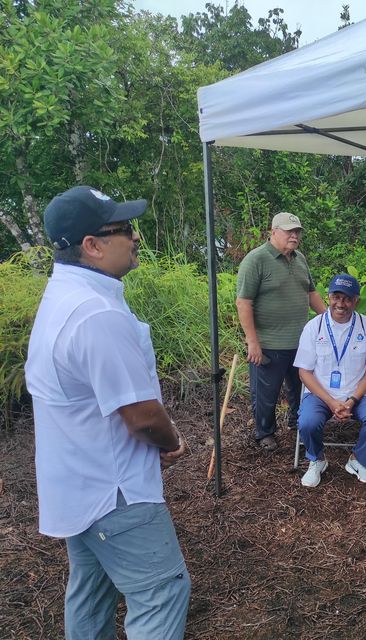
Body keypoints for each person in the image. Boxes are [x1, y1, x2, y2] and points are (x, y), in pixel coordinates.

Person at [25, 186, 190, 639]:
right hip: (112, 490)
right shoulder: (95, 313)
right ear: (92, 246)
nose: (135, 237)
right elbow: (142, 416)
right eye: (124, 229)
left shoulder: (64, 296)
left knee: (92, 588)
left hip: (77, 483)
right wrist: (172, 441)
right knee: (162, 591)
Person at [236, 212, 327, 452]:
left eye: (297, 231)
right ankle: (265, 432)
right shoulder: (256, 260)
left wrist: (328, 320)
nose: (294, 235)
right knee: (266, 392)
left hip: (301, 342)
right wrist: (252, 341)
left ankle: (298, 423)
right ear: (273, 232)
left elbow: (311, 294)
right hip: (269, 343)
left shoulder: (300, 259)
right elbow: (244, 302)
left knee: (299, 388)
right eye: (289, 231)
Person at [294, 274, 366, 487]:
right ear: (328, 297)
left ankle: (358, 459)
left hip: (357, 394)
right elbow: (304, 372)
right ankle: (317, 459)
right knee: (307, 421)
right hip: (321, 395)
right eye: (336, 297)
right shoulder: (314, 327)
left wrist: (353, 399)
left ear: (356, 301)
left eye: (347, 299)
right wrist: (331, 402)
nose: (341, 304)